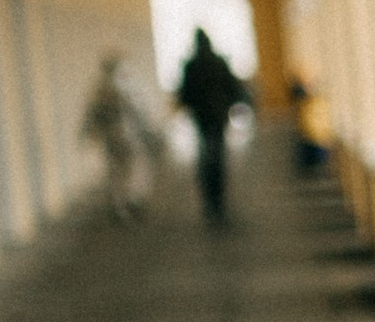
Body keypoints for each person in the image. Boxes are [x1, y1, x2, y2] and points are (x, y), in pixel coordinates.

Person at [174, 27, 252, 226]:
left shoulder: (190, 66)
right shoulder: (219, 62)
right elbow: (234, 87)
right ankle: (219, 199)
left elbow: (184, 93)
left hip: (201, 118)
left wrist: (190, 106)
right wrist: (229, 104)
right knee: (218, 155)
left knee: (205, 155)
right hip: (218, 117)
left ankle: (209, 200)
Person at [79, 49, 160, 222]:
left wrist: (87, 133)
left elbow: (91, 114)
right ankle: (131, 200)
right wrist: (148, 130)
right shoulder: (125, 85)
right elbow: (138, 111)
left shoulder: (99, 88)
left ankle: (119, 205)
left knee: (115, 171)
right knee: (132, 167)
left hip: (110, 136)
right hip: (127, 134)